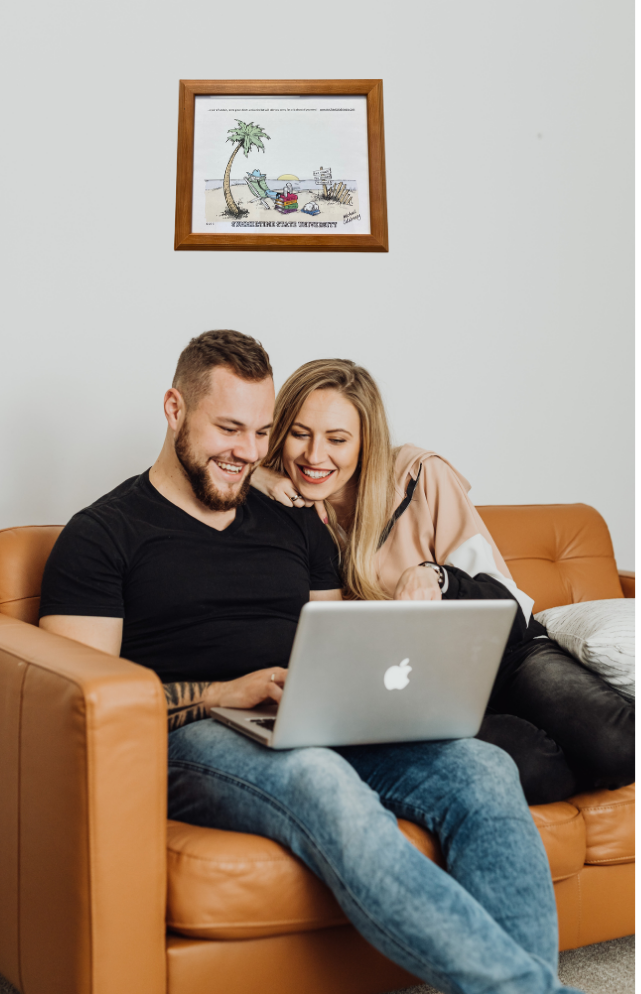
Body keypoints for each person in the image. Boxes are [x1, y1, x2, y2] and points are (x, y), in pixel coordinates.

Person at [39, 330, 582, 994]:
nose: (246, 451)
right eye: (228, 428)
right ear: (174, 408)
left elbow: (336, 635)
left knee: (484, 768)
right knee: (322, 780)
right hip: (197, 736)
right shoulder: (102, 534)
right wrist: (217, 694)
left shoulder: (294, 520)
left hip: (310, 714)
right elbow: (79, 702)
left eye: (262, 431)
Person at [252, 358, 635, 805]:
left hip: (506, 655)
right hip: (420, 688)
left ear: (365, 442)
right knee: (533, 769)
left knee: (619, 747)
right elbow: (211, 469)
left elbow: (508, 602)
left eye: (337, 439)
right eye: (300, 434)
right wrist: (256, 474)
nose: (315, 456)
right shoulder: (283, 512)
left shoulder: (420, 477)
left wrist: (439, 577)